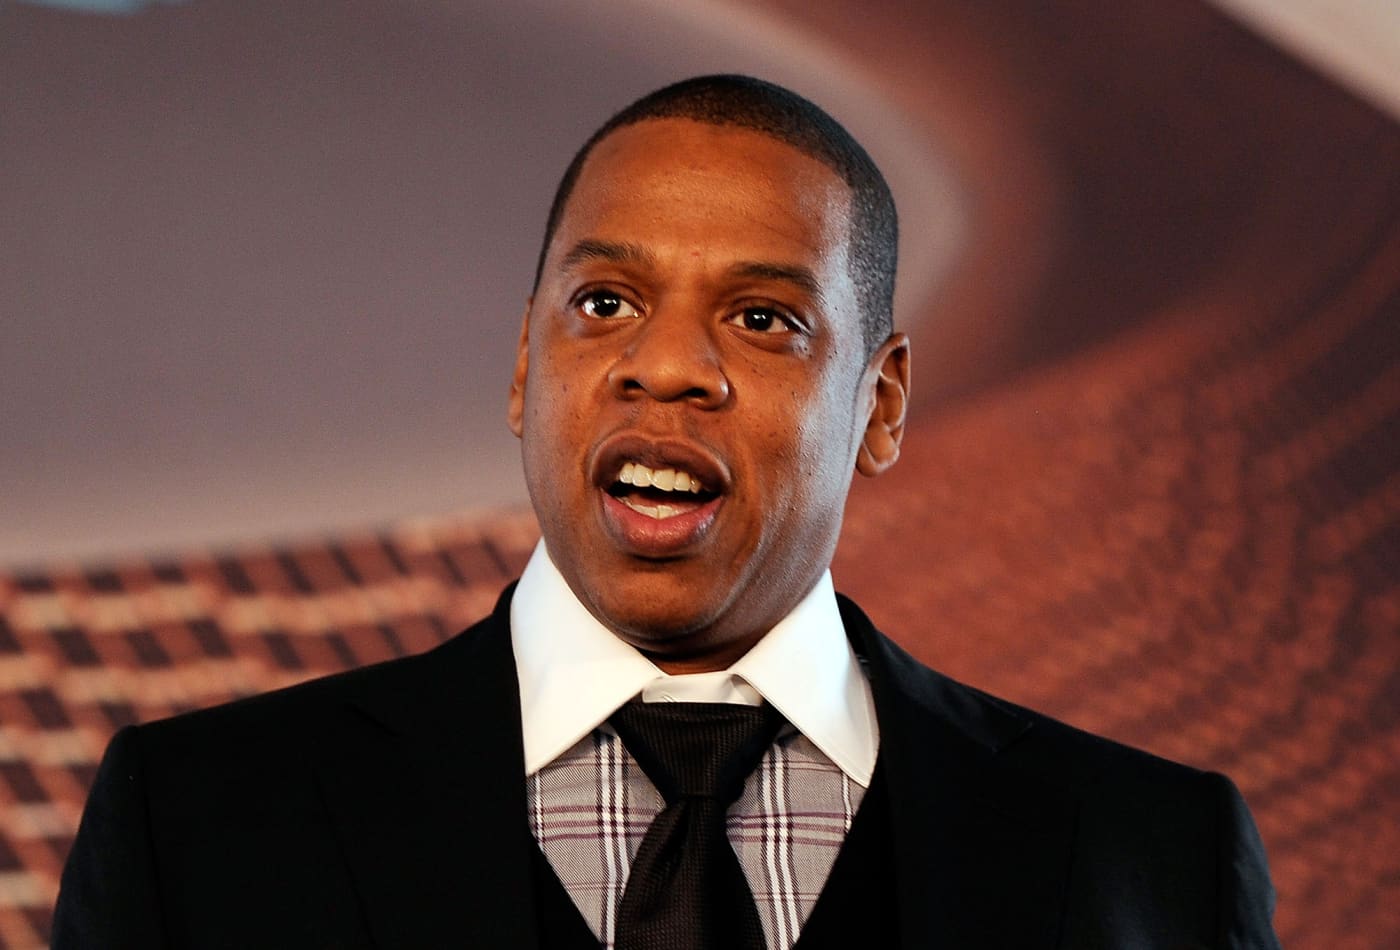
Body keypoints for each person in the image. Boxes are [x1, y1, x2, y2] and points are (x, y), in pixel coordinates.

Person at [53, 75, 1281, 949]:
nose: (666, 366)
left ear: (880, 403)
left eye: (761, 318)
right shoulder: (199, 820)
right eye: (604, 304)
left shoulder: (1150, 856)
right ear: (524, 366)